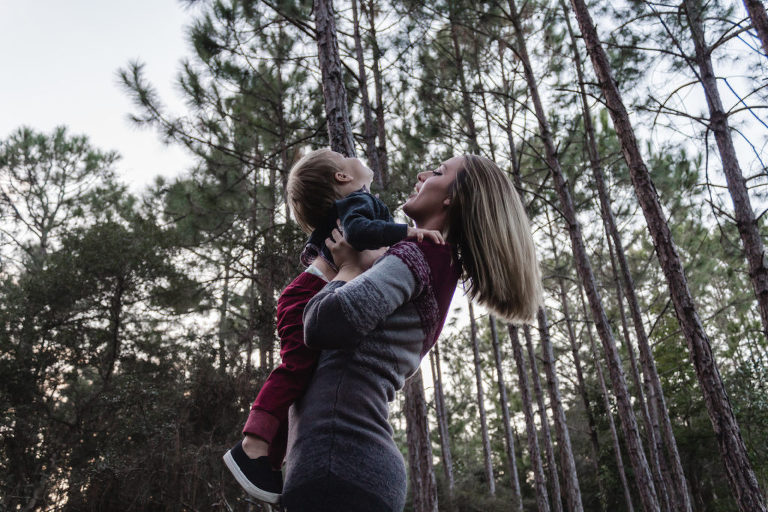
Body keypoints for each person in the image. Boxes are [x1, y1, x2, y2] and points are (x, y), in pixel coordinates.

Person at [280, 154, 543, 511]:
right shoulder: (424, 261)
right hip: (342, 463)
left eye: (437, 172)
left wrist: (347, 268)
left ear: (452, 197)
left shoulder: (419, 256)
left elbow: (321, 324)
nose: (421, 173)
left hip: (340, 460)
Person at [222, 148, 442, 504]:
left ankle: (271, 459)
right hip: (307, 294)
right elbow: (359, 232)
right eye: (344, 156)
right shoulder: (358, 203)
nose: (353, 156)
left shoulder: (359, 203)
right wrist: (409, 234)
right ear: (342, 177)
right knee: (295, 367)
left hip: (313, 291)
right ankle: (252, 444)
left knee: (305, 377)